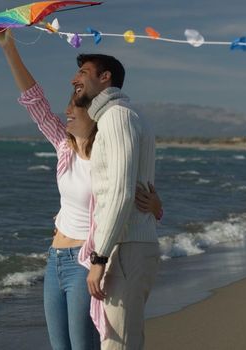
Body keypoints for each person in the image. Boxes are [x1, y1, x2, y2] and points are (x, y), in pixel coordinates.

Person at [0, 29, 162, 350]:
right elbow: (34, 100)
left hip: (88, 258)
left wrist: (155, 205)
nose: (66, 112)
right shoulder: (63, 146)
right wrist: (8, 47)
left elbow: (131, 192)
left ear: (91, 113)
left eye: (73, 108)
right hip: (55, 259)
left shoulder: (109, 145)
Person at [74, 53, 160, 349]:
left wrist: (99, 258)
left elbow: (121, 192)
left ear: (105, 77)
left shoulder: (117, 116)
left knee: (119, 344)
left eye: (83, 72)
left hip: (125, 248)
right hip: (126, 246)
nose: (75, 79)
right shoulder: (120, 116)